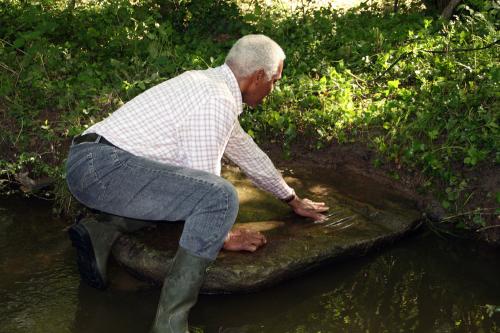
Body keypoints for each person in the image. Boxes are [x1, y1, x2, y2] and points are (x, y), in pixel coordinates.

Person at [66, 34, 328, 333]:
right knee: (220, 197)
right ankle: (170, 324)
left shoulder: (211, 86)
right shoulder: (216, 100)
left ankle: (100, 231)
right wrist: (224, 235)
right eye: (275, 80)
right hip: (104, 168)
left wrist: (292, 199)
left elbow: (248, 154)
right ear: (258, 76)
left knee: (191, 193)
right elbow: (207, 186)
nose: (274, 88)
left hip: (93, 164)